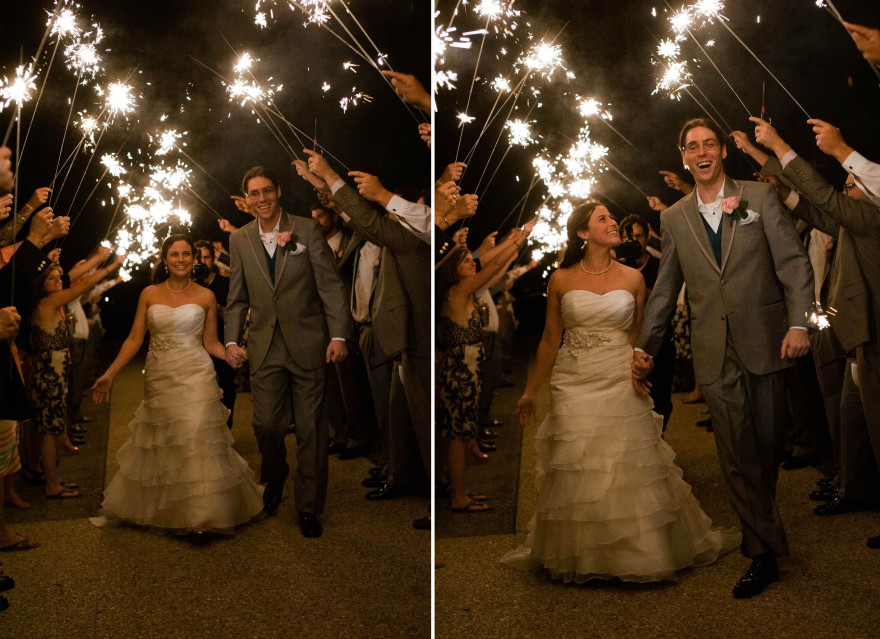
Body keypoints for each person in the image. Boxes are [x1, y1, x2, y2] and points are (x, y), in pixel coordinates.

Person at [503, 201, 739, 583]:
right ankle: (584, 552)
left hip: (618, 376)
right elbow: (550, 337)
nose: (613, 223)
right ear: (583, 233)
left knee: (623, 461)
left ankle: (637, 554)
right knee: (580, 460)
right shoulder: (561, 279)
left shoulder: (632, 278)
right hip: (574, 379)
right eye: (603, 219)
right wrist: (531, 390)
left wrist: (637, 366)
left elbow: (638, 334)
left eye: (613, 217)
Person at [633, 118, 814, 598]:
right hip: (714, 354)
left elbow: (793, 264)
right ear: (684, 157)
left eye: (709, 143)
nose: (702, 151)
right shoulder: (673, 218)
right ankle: (763, 552)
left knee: (768, 447)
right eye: (692, 146)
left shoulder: (758, 197)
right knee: (735, 454)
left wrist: (800, 323)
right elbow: (664, 290)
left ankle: (761, 527)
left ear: (722, 152)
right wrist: (644, 348)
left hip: (767, 340)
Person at [90, 235, 263, 534]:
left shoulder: (206, 296)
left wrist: (231, 354)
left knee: (195, 434)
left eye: (186, 254)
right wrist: (110, 373)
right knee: (169, 437)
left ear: (194, 258)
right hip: (160, 375)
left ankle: (202, 514)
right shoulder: (149, 293)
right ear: (165, 259)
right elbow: (134, 339)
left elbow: (210, 343)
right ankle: (171, 507)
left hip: (197, 373)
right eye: (174, 254)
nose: (181, 259)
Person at [224, 167, 349, 539]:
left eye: (267, 191)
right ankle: (275, 474)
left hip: (309, 344)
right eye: (253, 194)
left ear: (278, 191)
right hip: (263, 347)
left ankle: (309, 507)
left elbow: (330, 287)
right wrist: (232, 341)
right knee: (266, 425)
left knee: (311, 430)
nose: (261, 199)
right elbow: (236, 299)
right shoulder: (240, 240)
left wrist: (339, 335)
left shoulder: (306, 230)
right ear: (246, 199)